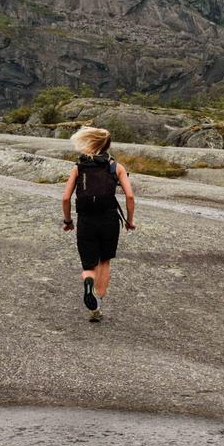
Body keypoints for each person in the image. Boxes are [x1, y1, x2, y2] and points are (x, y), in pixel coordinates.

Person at [61, 126, 136, 322]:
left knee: (88, 264)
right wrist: (129, 220)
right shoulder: (116, 167)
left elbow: (65, 198)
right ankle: (97, 303)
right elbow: (129, 195)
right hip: (109, 219)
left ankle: (88, 282)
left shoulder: (79, 167)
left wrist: (68, 221)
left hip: (86, 219)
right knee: (104, 260)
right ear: (108, 146)